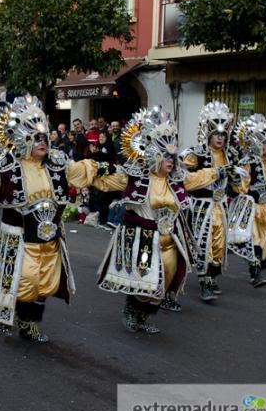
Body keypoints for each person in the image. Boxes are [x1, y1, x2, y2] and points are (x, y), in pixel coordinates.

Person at [0, 95, 114, 343]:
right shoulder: (6, 165)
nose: (43, 141)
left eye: (45, 136)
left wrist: (110, 170)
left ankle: (28, 322)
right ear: (23, 139)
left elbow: (83, 172)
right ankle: (13, 312)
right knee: (25, 281)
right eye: (37, 138)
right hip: (19, 238)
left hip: (50, 238)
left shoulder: (58, 163)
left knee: (46, 283)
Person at [92, 107, 220, 332]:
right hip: (142, 239)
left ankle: (144, 317)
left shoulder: (178, 178)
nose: (171, 160)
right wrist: (87, 170)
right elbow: (105, 181)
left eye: (173, 155)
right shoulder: (135, 176)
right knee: (144, 283)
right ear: (154, 155)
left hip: (169, 240)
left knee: (165, 282)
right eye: (167, 156)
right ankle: (131, 313)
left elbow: (197, 178)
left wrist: (220, 172)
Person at [181, 101, 247, 303]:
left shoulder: (231, 155)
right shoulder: (196, 154)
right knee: (205, 244)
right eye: (217, 134)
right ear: (209, 135)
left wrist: (236, 179)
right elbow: (185, 180)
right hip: (202, 207)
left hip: (221, 207)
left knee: (219, 245)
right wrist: (216, 173)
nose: (220, 138)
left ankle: (212, 276)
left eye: (223, 135)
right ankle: (205, 281)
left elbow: (237, 186)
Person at [227, 114, 266, 288]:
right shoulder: (247, 162)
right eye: (264, 142)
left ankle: (257, 267)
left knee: (264, 243)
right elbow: (241, 187)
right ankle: (255, 274)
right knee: (254, 240)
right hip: (251, 208)